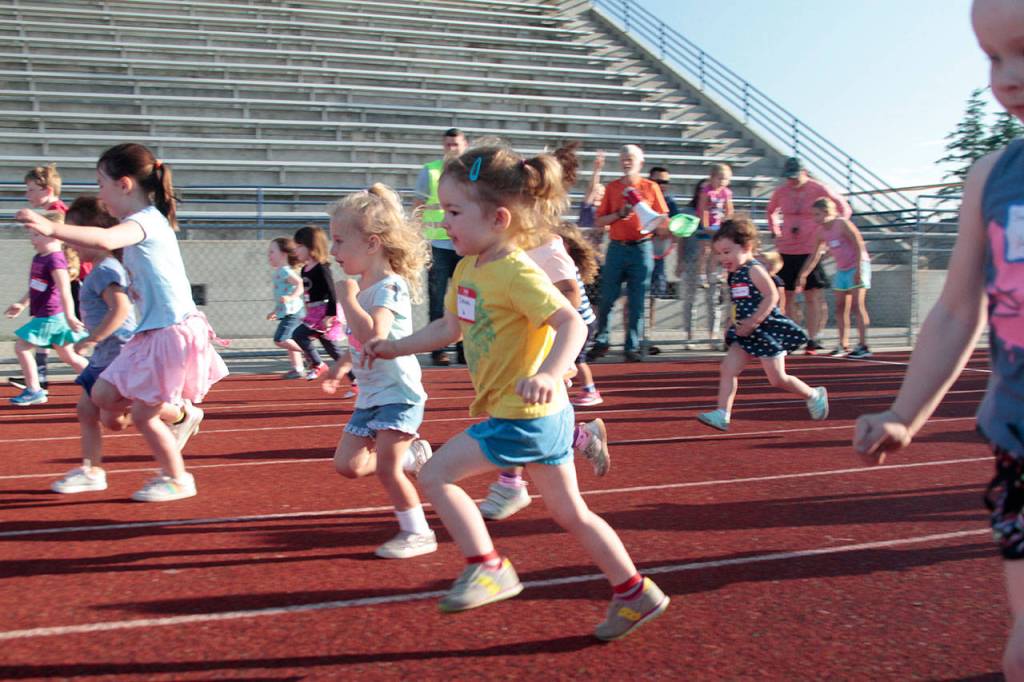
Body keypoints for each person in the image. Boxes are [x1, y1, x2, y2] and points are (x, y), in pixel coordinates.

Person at [364, 144, 669, 641]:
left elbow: (571, 322)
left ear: (499, 217)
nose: (445, 223)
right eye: (442, 211)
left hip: (524, 413)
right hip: (537, 416)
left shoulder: (516, 270)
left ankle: (488, 565)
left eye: (455, 212)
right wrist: (395, 346)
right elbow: (447, 329)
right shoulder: (468, 269)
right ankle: (635, 593)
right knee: (572, 513)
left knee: (438, 473)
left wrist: (551, 373)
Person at [855, 3, 1024, 676]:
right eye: (992, 58)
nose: (1007, 77)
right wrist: (904, 413)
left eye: (1023, 50)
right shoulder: (993, 178)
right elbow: (957, 310)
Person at [17, 144, 228, 501]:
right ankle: (179, 415)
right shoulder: (140, 225)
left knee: (144, 415)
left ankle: (177, 477)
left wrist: (51, 228)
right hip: (150, 333)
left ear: (125, 184)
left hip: (172, 331)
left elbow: (103, 238)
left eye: (101, 184)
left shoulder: (145, 220)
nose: (100, 193)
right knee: (101, 396)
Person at [323, 184, 436, 559]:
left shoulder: (389, 286)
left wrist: (348, 299)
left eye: (339, 242)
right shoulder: (365, 286)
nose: (333, 252)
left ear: (371, 244)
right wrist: (341, 366)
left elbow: (374, 335)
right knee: (349, 466)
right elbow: (358, 344)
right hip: (371, 395)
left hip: (398, 394)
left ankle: (417, 531)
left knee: (387, 471)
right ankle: (410, 456)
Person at [696, 217, 828, 431]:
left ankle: (813, 394)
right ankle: (722, 413)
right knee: (728, 369)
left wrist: (754, 321)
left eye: (727, 252)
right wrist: (732, 321)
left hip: (766, 331)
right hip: (745, 333)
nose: (722, 258)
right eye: (719, 253)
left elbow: (772, 296)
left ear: (746, 247)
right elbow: (738, 300)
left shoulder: (754, 270)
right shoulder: (733, 273)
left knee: (777, 379)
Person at [49, 196, 136, 494]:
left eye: (76, 234)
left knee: (105, 414)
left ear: (96, 232)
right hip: (104, 354)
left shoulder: (107, 268)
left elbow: (121, 309)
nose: (71, 243)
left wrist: (92, 338)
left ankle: (176, 413)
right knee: (97, 415)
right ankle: (92, 470)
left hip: (118, 353)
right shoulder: (99, 268)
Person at [587, 144, 669, 362]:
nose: (626, 161)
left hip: (642, 247)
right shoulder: (613, 188)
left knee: (637, 299)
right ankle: (602, 341)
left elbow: (662, 219)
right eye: (623, 157)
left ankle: (631, 345)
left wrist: (667, 227)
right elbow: (600, 220)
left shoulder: (651, 187)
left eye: (631, 157)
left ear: (640, 162)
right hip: (616, 247)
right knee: (607, 298)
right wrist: (619, 214)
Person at [766, 157, 851, 354]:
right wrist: (775, 230)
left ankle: (814, 337)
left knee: (812, 294)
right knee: (785, 296)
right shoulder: (782, 191)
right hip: (786, 248)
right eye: (789, 178)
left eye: (795, 177)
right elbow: (770, 211)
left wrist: (833, 230)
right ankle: (791, 336)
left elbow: (844, 208)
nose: (792, 181)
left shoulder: (819, 188)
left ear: (804, 172)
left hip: (810, 249)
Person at [5, 210, 89, 405]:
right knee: (68, 355)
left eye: (36, 234)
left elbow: (65, 289)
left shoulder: (55, 259)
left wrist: (69, 315)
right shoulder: (39, 258)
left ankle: (34, 390)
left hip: (51, 315)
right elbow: (35, 286)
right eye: (31, 234)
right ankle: (99, 380)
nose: (32, 239)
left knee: (21, 347)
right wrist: (22, 304)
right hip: (47, 315)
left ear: (54, 235)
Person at [10, 164, 71, 393]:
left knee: (67, 341)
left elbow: (66, 251)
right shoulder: (48, 214)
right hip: (53, 277)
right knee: (49, 333)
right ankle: (39, 377)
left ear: (47, 189)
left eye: (31, 189)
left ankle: (40, 380)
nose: (27, 195)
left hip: (68, 279)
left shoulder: (57, 214)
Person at [414, 127, 469, 366]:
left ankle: (465, 347)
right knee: (437, 299)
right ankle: (438, 349)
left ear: (465, 145)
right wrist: (418, 239)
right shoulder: (431, 171)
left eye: (455, 144)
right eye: (447, 144)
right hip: (438, 244)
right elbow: (418, 207)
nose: (451, 149)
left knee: (467, 298)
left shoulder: (472, 172)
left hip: (465, 244)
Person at [800, 198, 872, 358]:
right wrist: (803, 274)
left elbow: (858, 244)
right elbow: (815, 255)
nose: (815, 218)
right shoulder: (821, 232)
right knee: (840, 307)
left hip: (857, 265)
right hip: (842, 269)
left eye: (817, 214)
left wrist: (859, 270)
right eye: (813, 215)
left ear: (827, 212)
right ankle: (843, 343)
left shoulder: (842, 224)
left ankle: (863, 344)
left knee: (857, 306)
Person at [291, 225, 348, 382]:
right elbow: (309, 293)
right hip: (314, 312)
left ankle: (318, 364)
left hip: (324, 313)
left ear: (311, 246)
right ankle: (355, 379)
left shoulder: (322, 268)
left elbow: (332, 293)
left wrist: (330, 315)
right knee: (332, 349)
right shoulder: (304, 270)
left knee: (298, 334)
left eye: (299, 246)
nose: (296, 251)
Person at [266, 237, 307, 379]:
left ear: (283, 254)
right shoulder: (280, 271)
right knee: (290, 339)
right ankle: (298, 369)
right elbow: (281, 296)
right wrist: (276, 311)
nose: (268, 255)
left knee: (280, 339)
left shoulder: (284, 271)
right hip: (290, 312)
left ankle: (308, 352)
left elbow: (299, 284)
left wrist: (291, 297)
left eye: (272, 252)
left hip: (294, 312)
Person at [696, 163, 735, 288]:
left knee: (716, 250)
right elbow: (703, 209)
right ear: (712, 177)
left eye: (725, 179)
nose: (722, 182)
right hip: (706, 224)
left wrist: (727, 220)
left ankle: (713, 273)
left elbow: (729, 208)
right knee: (705, 250)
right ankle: (700, 275)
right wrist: (705, 225)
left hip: (718, 224)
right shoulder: (707, 191)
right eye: (719, 178)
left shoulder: (726, 193)